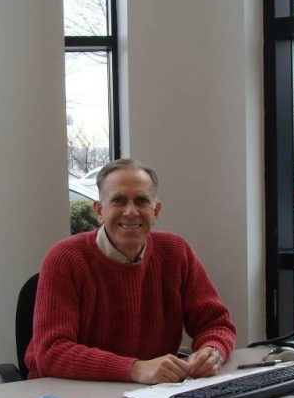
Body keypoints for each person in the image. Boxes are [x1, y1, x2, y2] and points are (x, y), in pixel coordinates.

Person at [24, 158, 236, 384]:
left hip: (151, 393)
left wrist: (212, 352)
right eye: (118, 200)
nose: (131, 211)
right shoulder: (65, 258)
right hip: (67, 393)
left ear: (155, 211)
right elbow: (52, 351)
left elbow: (216, 324)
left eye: (142, 201)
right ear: (99, 210)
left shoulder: (176, 252)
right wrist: (134, 369)